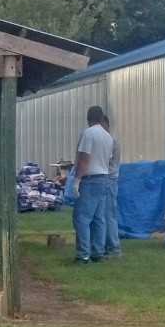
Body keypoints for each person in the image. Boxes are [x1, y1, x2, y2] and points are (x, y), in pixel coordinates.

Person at [71, 106, 114, 264]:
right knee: (99, 218)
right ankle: (98, 252)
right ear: (102, 118)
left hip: (89, 179)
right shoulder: (108, 137)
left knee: (82, 218)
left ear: (88, 118)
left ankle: (83, 254)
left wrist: (77, 180)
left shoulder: (88, 134)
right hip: (104, 178)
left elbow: (85, 158)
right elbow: (108, 160)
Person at [101, 114, 121, 259]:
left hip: (108, 179)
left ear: (107, 124)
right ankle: (103, 246)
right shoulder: (107, 139)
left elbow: (102, 161)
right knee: (103, 215)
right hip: (107, 179)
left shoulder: (110, 141)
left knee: (108, 215)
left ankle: (114, 248)